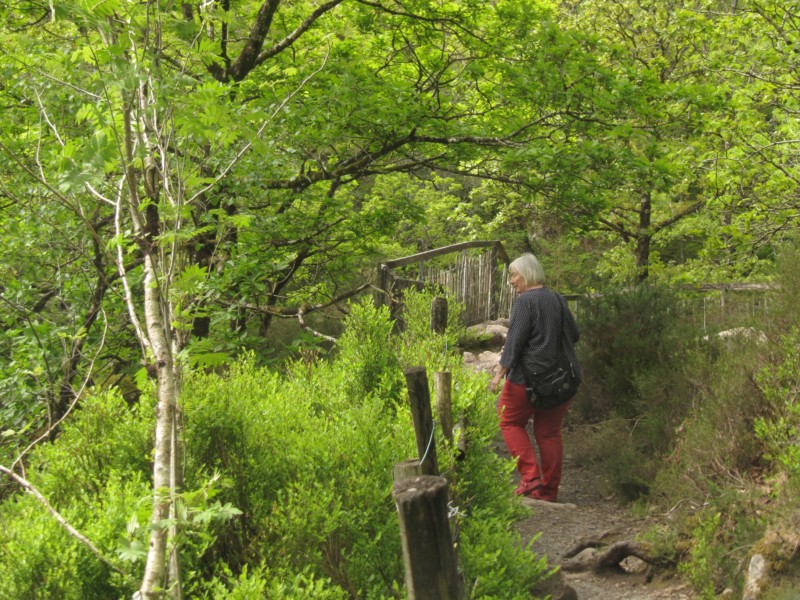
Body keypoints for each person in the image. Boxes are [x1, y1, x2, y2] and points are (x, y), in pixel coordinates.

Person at [489, 253, 581, 502]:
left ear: (527, 274)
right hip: (560, 381)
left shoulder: (525, 302)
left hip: (527, 379)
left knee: (508, 421)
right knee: (549, 432)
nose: (511, 281)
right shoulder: (558, 299)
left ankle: (530, 477)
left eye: (514, 275)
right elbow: (574, 334)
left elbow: (515, 342)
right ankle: (549, 490)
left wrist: (499, 374)